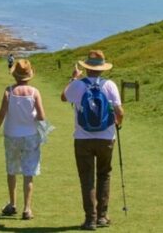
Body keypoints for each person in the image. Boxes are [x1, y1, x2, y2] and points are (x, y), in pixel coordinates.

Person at [61, 50, 124, 230]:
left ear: (86, 68)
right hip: (106, 137)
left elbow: (63, 97)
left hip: (82, 138)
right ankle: (102, 216)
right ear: (102, 69)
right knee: (104, 175)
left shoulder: (78, 85)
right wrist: (118, 124)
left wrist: (73, 78)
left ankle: (90, 219)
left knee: (86, 178)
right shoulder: (110, 85)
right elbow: (120, 112)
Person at [0, 59, 47, 220]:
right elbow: (41, 116)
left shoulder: (9, 91)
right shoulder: (35, 92)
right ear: (29, 76)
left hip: (11, 135)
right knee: (29, 173)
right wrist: (41, 131)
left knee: (12, 170)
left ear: (15, 75)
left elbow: (1, 114)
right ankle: (27, 209)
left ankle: (13, 204)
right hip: (30, 135)